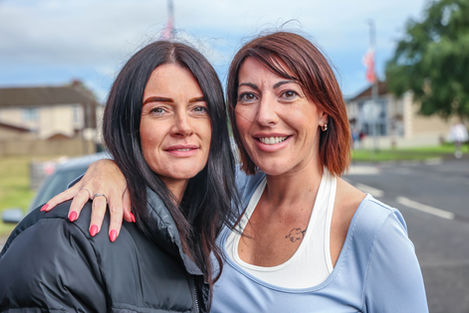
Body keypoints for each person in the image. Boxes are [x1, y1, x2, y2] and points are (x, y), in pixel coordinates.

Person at [41, 32, 429, 312]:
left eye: (288, 93)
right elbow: (161, 167)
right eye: (248, 96)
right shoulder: (226, 195)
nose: (265, 115)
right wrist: (110, 167)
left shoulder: (373, 233)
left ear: (324, 110)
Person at [0, 40, 238, 313]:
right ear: (128, 124)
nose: (183, 126)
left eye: (199, 108)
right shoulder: (65, 240)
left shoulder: (210, 227)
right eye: (159, 109)